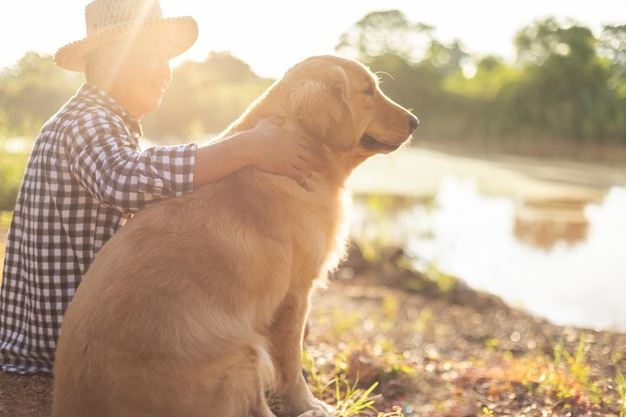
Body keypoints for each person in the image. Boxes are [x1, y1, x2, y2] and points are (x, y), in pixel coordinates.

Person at [0, 0, 312, 374]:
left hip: (62, 333)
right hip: (73, 342)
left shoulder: (95, 119)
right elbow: (122, 180)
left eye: (168, 59)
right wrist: (246, 147)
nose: (166, 71)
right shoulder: (88, 120)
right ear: (111, 56)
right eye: (153, 55)